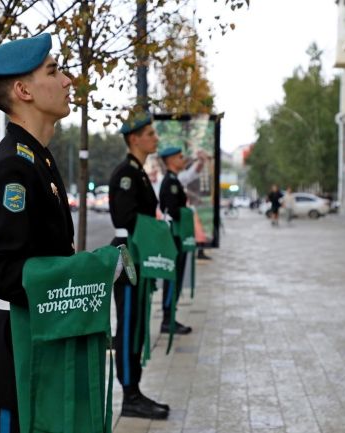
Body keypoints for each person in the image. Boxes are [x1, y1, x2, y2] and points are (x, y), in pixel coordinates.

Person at [0, 33, 75, 433]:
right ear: (23, 90)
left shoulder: (35, 156)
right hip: (15, 358)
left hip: (37, 344)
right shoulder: (13, 167)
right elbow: (6, 273)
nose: (67, 81)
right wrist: (84, 274)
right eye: (54, 72)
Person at [108, 111, 170, 420]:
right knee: (130, 325)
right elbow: (126, 220)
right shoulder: (127, 174)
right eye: (150, 134)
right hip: (128, 258)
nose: (155, 138)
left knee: (136, 325)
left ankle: (135, 390)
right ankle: (130, 395)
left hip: (138, 256)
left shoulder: (139, 172)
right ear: (134, 139)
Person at [158, 146, 193, 335]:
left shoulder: (174, 180)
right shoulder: (170, 182)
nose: (183, 159)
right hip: (174, 235)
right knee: (173, 278)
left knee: (176, 278)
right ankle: (167, 319)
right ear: (171, 160)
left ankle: (169, 317)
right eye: (180, 157)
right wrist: (187, 213)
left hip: (177, 235)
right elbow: (172, 210)